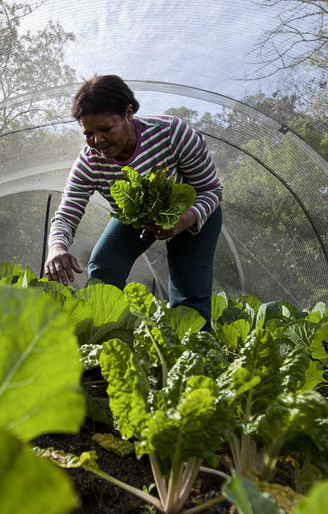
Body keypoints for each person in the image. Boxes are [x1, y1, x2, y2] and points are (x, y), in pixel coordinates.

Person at [43, 75, 223, 327]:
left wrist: (183, 220)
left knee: (188, 296)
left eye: (105, 128)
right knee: (104, 268)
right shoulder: (90, 162)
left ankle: (195, 356)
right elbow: (67, 213)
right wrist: (57, 248)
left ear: (129, 113)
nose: (98, 141)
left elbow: (211, 190)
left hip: (194, 211)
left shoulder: (172, 133)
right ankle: (108, 340)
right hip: (138, 217)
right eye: (89, 133)